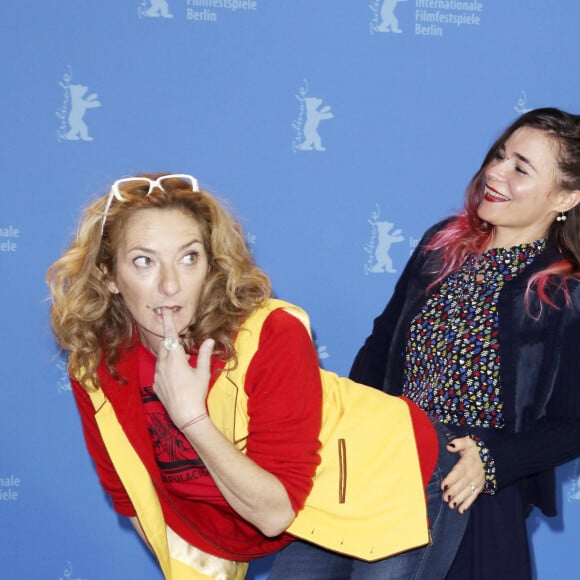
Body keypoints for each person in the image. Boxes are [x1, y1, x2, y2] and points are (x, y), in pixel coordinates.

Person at [47, 173, 466, 580]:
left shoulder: (272, 333)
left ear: (210, 266)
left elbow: (273, 514)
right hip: (309, 503)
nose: (170, 285)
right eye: (143, 262)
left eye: (189, 257)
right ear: (109, 276)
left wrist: (190, 417)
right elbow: (135, 499)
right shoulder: (98, 368)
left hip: (393, 472)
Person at [271, 107, 580, 580]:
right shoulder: (443, 246)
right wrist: (351, 432)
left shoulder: (565, 293)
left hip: (468, 493)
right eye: (500, 155)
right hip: (381, 465)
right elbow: (381, 347)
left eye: (521, 168)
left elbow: (572, 423)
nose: (495, 172)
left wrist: (492, 458)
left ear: (566, 197)